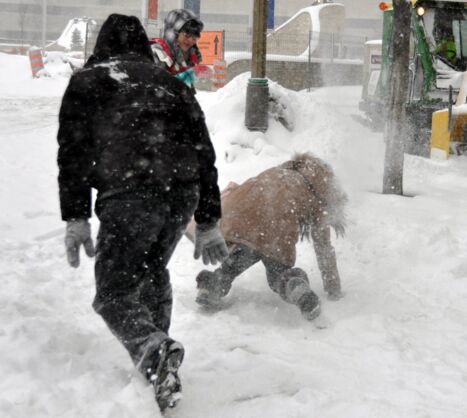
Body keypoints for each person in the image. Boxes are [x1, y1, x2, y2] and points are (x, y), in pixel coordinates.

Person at [57, 14, 228, 412]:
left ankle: (155, 350)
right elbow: (205, 153)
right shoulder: (171, 84)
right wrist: (207, 219)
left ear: (102, 44)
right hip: (180, 193)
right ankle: (160, 363)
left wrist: (77, 215)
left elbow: (74, 154)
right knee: (152, 272)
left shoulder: (88, 81)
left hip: (129, 194)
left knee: (113, 292)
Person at [187, 153, 347, 320]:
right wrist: (333, 288)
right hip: (277, 222)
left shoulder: (280, 172)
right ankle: (295, 287)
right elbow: (323, 247)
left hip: (242, 208)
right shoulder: (315, 193)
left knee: (238, 258)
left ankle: (212, 286)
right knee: (278, 273)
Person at [149, 9, 204, 89]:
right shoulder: (157, 55)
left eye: (195, 36)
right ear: (173, 34)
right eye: (187, 34)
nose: (191, 40)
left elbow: (188, 95)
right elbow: (152, 91)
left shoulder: (190, 59)